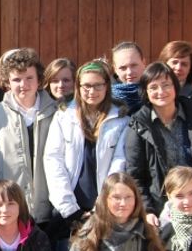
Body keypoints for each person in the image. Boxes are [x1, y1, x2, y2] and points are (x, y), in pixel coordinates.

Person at [125, 62, 192, 222]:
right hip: (162, 211)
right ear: (145, 92)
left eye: (166, 85)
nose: (161, 92)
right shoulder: (138, 125)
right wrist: (147, 210)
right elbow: (135, 175)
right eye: (153, 87)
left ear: (175, 87)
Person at [44, 60, 129, 236]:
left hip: (104, 207)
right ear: (78, 86)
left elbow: (119, 162)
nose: (92, 91)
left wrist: (104, 203)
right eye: (87, 86)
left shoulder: (120, 119)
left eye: (98, 86)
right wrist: (70, 209)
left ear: (107, 86)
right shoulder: (64, 116)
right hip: (68, 208)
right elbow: (53, 160)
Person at [0, 48, 58, 231]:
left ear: (39, 80)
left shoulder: (56, 112)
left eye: (29, 78)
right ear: (7, 82)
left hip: (51, 209)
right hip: (9, 210)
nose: (23, 84)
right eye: (16, 79)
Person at [159, 41, 192, 107]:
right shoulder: (153, 95)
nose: (178, 68)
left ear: (190, 69)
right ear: (163, 64)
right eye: (174, 62)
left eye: (184, 64)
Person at [110, 41, 147, 115]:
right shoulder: (105, 98)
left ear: (144, 63)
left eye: (134, 65)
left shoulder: (156, 94)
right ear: (115, 69)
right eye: (123, 68)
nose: (129, 72)